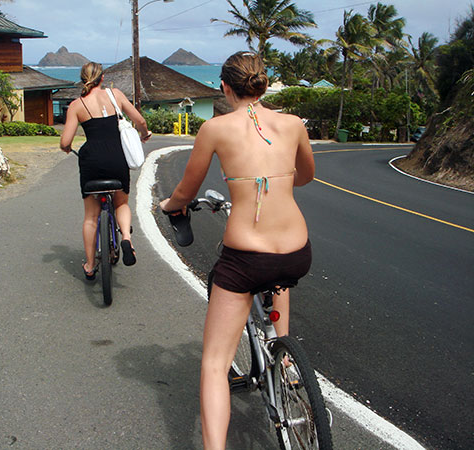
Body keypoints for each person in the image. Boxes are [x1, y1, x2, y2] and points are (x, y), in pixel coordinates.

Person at [159, 51, 315, 449]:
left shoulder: (215, 128)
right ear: (262, 85)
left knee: (213, 365)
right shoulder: (294, 123)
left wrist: (170, 205)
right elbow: (306, 176)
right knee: (277, 274)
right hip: (297, 250)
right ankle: (285, 366)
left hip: (247, 257)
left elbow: (187, 190)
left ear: (225, 87)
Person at [60, 62, 151, 280]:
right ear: (102, 78)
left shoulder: (76, 105)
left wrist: (66, 148)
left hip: (91, 162)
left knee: (91, 217)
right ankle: (127, 238)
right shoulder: (116, 94)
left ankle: (90, 265)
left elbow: (65, 141)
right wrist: (144, 133)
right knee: (121, 203)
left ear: (83, 80)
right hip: (116, 160)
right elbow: (139, 120)